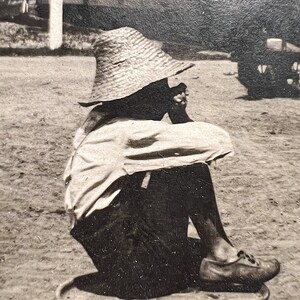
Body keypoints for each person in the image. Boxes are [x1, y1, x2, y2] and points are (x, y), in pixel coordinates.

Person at [64, 27, 280, 299]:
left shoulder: (98, 120)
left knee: (176, 169)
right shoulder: (126, 133)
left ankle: (214, 261)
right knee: (186, 163)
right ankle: (222, 255)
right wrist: (178, 114)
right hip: (136, 269)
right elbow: (217, 142)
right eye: (160, 87)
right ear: (141, 92)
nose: (166, 92)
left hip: (114, 257)